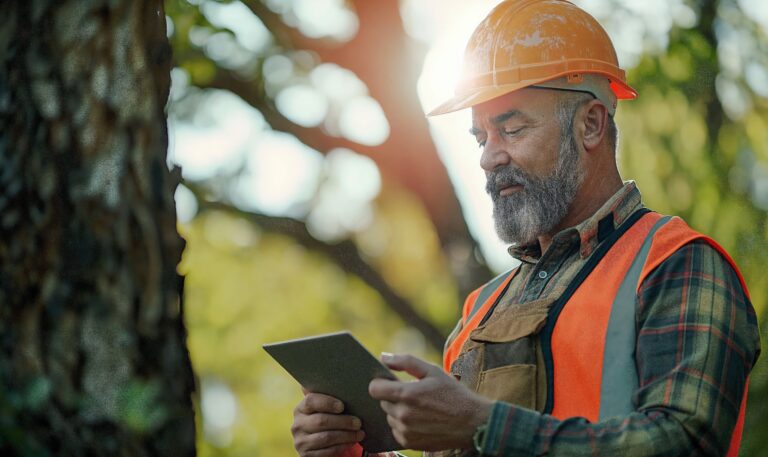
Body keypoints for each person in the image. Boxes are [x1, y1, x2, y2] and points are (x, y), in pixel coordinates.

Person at [290, 1, 761, 455]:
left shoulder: (677, 263)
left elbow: (683, 443)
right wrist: (356, 453)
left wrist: (483, 424)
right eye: (481, 136)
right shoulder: (482, 307)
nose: (488, 156)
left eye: (511, 130)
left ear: (591, 125)